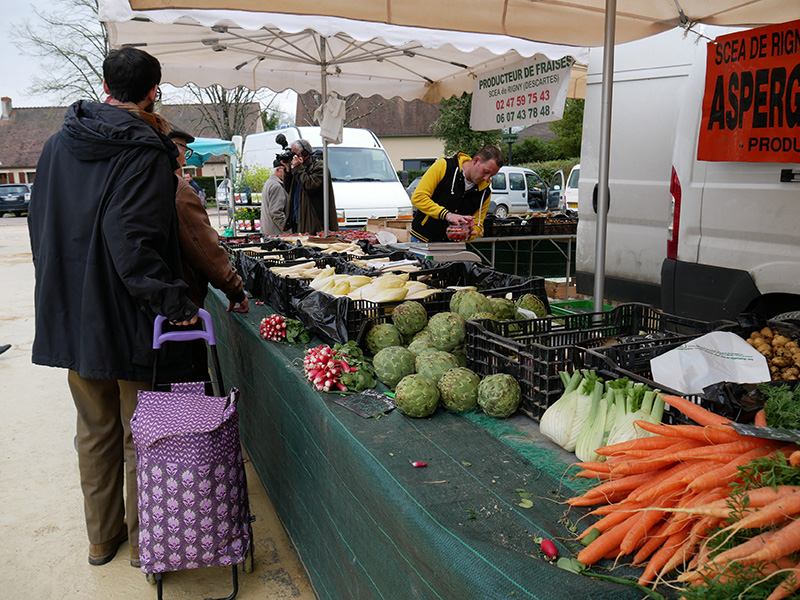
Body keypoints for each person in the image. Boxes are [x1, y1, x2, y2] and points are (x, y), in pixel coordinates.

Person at [28, 46, 198, 570]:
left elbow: (42, 227)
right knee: (140, 436)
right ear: (153, 90)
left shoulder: (58, 144)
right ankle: (147, 545)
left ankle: (102, 541)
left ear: (106, 84)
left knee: (94, 433)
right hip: (127, 320)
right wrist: (174, 302)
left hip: (75, 317)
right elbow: (131, 240)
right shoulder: (145, 150)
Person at [168, 127, 249, 381]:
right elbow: (206, 250)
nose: (185, 159)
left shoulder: (135, 182)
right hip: (178, 307)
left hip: (150, 309)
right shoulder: (178, 191)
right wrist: (235, 289)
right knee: (189, 384)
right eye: (183, 150)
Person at [410, 145, 503, 243]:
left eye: (491, 176)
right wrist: (447, 215)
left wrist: (469, 232)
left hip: (452, 245)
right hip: (422, 240)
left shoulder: (485, 193)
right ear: (476, 161)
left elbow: (478, 225)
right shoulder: (444, 166)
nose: (486, 178)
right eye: (485, 172)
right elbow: (418, 197)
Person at [287, 138, 339, 234]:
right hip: (298, 219)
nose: (293, 157)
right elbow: (288, 189)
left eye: (294, 154)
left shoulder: (319, 167)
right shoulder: (300, 168)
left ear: (305, 153)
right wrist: (288, 169)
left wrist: (298, 168)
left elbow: (309, 186)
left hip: (314, 221)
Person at [261, 158, 289, 236]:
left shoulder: (270, 182)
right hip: (276, 232)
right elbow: (276, 211)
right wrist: (285, 226)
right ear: (277, 170)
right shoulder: (277, 186)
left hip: (269, 230)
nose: (287, 172)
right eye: (285, 169)